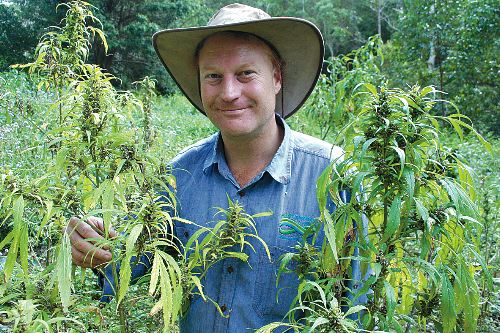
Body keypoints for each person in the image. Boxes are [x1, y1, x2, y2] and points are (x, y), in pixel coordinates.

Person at [66, 3, 366, 332]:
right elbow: (133, 262)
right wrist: (94, 245)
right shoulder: (178, 176)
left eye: (245, 73)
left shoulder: (334, 176)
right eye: (213, 76)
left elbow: (359, 305)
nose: (229, 92)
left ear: (276, 77)